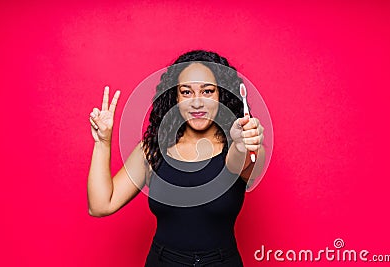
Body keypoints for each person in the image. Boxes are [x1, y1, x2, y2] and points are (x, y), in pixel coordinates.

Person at [88, 50, 265, 266]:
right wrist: (102, 142)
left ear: (222, 95)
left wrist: (239, 142)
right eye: (186, 92)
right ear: (175, 97)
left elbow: (238, 163)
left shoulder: (243, 148)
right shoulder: (152, 150)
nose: (197, 102)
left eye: (207, 91)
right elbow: (100, 205)